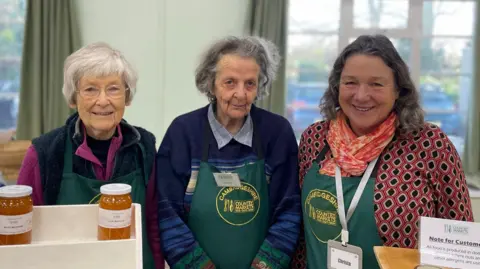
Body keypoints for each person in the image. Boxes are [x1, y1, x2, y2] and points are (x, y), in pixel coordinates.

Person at [291, 35, 474, 269]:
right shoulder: (314, 139)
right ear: (337, 87)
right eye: (350, 82)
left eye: (376, 84)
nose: (361, 95)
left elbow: (460, 247)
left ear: (398, 90)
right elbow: (301, 239)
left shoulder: (430, 145)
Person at [156, 36, 301, 269]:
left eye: (250, 83)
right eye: (230, 82)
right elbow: (166, 214)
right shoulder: (183, 132)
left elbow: (289, 213)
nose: (241, 94)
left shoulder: (277, 133)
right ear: (211, 83)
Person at [17, 42, 164, 269]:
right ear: (73, 99)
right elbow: (22, 234)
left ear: (127, 97)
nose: (103, 101)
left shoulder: (144, 146)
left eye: (114, 89)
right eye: (90, 89)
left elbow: (153, 224)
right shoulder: (44, 153)